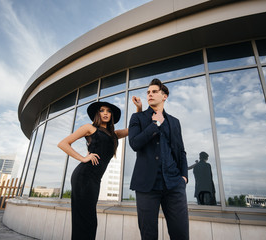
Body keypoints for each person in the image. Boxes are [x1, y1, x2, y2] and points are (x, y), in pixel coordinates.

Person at [58, 100, 141, 240]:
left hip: (95, 179)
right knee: (85, 220)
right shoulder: (89, 128)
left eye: (109, 111)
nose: (105, 113)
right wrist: (83, 158)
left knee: (89, 220)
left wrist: (139, 108)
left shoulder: (114, 134)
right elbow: (63, 143)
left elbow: (132, 129)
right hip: (83, 177)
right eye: (102, 110)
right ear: (97, 113)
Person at [128, 78, 189, 240]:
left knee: (181, 234)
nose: (150, 94)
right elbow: (134, 143)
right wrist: (154, 125)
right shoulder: (137, 118)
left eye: (154, 91)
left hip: (174, 185)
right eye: (148, 92)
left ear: (164, 96)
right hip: (147, 186)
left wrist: (184, 178)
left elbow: (181, 151)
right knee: (148, 236)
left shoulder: (175, 122)